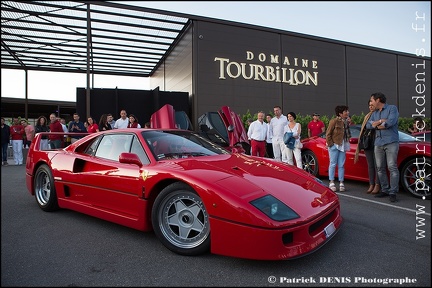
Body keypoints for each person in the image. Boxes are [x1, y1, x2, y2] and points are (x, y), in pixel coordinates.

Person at [367, 92, 400, 202]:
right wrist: (381, 121)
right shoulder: (374, 113)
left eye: (372, 100)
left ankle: (393, 192)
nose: (371, 102)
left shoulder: (392, 108)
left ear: (378, 100)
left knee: (392, 167)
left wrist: (377, 124)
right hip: (378, 143)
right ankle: (385, 190)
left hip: (391, 142)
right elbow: (368, 125)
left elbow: (390, 122)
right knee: (380, 168)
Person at [354, 100, 379, 194]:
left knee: (378, 166)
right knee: (371, 165)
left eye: (372, 105)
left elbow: (375, 125)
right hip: (367, 143)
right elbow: (367, 126)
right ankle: (371, 184)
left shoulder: (379, 114)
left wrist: (373, 124)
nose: (370, 107)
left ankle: (377, 184)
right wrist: (373, 124)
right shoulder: (367, 116)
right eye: (369, 105)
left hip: (377, 142)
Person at [326, 105, 351, 192]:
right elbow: (328, 133)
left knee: (341, 164)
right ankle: (331, 181)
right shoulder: (334, 121)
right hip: (335, 144)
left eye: (347, 111)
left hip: (343, 144)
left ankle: (341, 182)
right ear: (340, 113)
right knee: (333, 163)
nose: (347, 113)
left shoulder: (346, 121)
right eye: (345, 111)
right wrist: (331, 144)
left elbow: (348, 133)